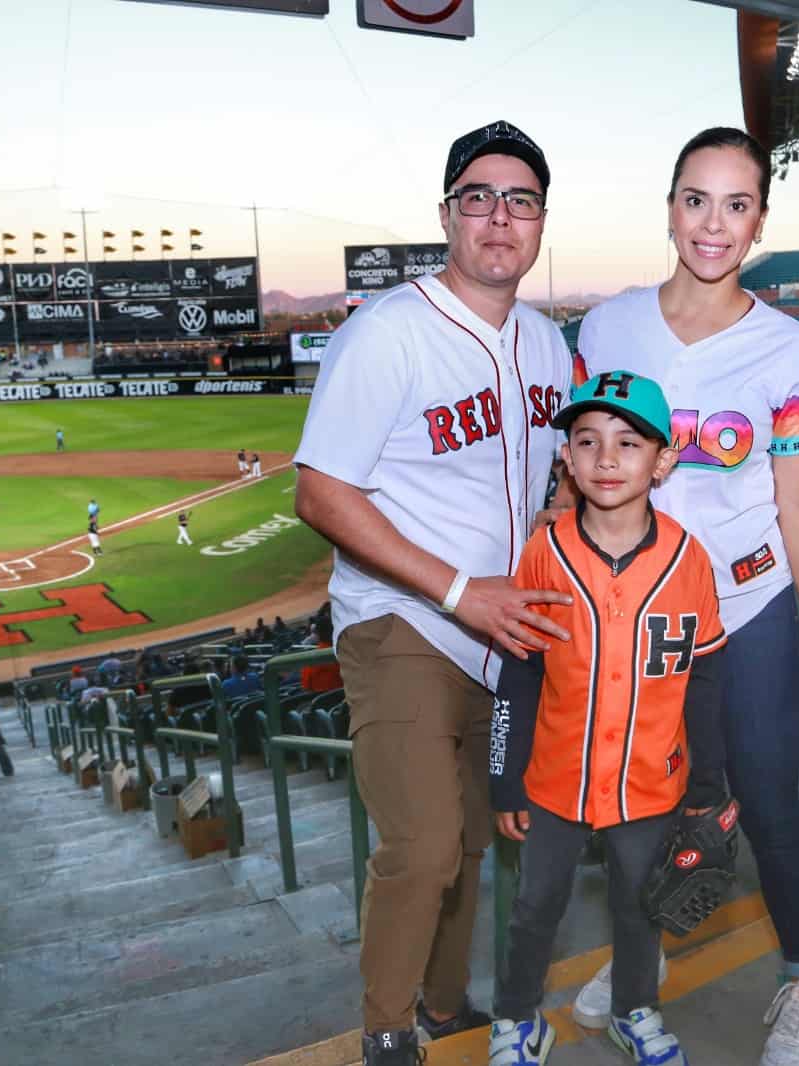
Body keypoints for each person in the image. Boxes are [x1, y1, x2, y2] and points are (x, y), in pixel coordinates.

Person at [572, 127, 799, 1066]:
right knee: (644, 806)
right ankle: (639, 959)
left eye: (738, 205)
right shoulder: (609, 326)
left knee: (770, 802)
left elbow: (798, 497)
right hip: (642, 614)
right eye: (698, 199)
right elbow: (578, 473)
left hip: (750, 605)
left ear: (760, 222)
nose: (714, 224)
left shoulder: (787, 344)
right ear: (670, 207)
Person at [293, 119, 571, 1066]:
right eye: (479, 198)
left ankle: (446, 1007)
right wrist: (458, 590)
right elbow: (321, 492)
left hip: (504, 636)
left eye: (520, 200)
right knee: (422, 848)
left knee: (473, 844)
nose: (500, 216)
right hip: (404, 619)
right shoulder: (387, 334)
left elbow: (558, 482)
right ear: (447, 214)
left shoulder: (547, 345)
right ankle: (385, 1032)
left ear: (540, 223)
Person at [488, 372, 725, 1066]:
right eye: (587, 441)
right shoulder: (544, 550)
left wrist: (709, 782)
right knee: (535, 908)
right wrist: (505, 780)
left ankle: (634, 1009)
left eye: (629, 442)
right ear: (566, 457)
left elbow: (706, 679)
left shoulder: (689, 558)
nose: (607, 458)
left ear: (663, 458)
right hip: (554, 777)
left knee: (639, 907)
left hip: (652, 779)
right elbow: (520, 673)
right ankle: (518, 1018)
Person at [299, 612, 343, 693]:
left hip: (322, 703)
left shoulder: (312, 660)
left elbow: (306, 688)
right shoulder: (349, 652)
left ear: (317, 634)